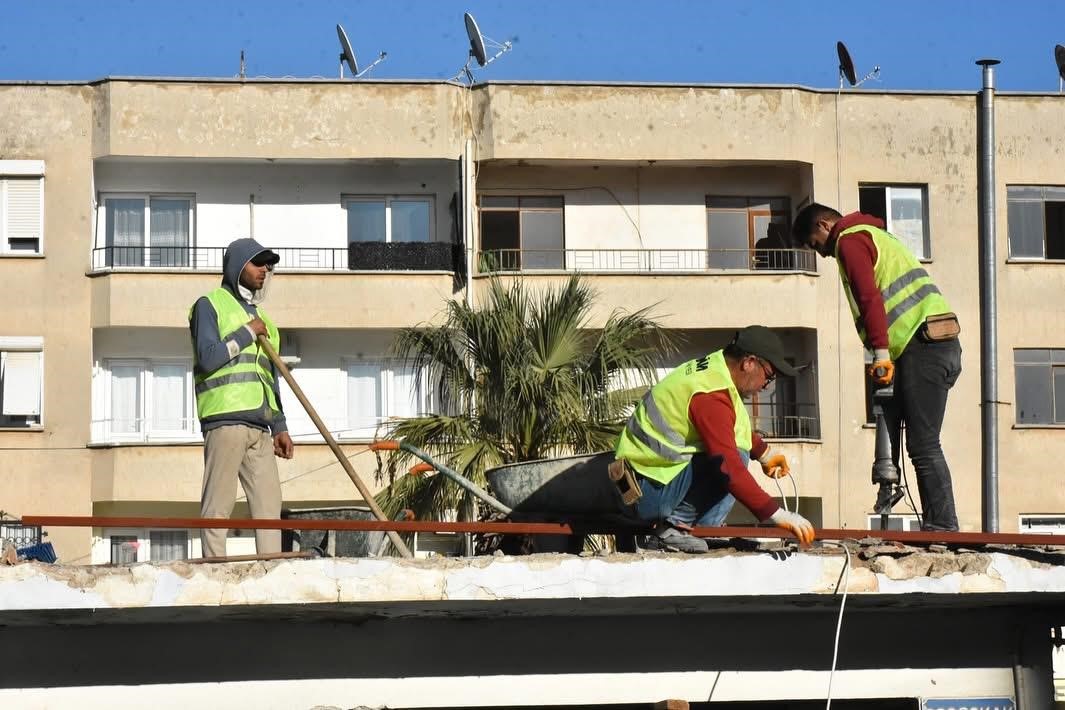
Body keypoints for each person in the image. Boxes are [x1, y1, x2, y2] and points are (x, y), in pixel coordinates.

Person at [792, 203, 961, 531]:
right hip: (934, 344)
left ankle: (942, 527)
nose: (821, 253)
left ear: (825, 225)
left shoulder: (849, 242)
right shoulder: (876, 235)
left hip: (921, 344)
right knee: (910, 435)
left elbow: (870, 298)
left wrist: (880, 353)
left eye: (815, 243)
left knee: (923, 443)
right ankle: (919, 508)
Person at [614, 326, 816, 553]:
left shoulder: (717, 372)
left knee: (734, 455)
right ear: (749, 362)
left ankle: (701, 531)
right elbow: (728, 465)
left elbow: (727, 427)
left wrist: (764, 454)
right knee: (730, 461)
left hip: (648, 479)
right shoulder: (710, 394)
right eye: (768, 376)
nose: (765, 386)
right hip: (643, 491)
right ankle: (674, 530)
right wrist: (776, 514)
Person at [189, 237, 294, 557]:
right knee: (218, 504)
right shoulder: (209, 305)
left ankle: (270, 571)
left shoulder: (267, 324)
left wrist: (280, 426)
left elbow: (269, 378)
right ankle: (214, 570)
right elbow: (208, 358)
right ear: (237, 267)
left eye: (268, 265)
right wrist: (247, 333)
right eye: (257, 263)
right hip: (225, 421)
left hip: (260, 427)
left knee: (269, 507)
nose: (264, 270)